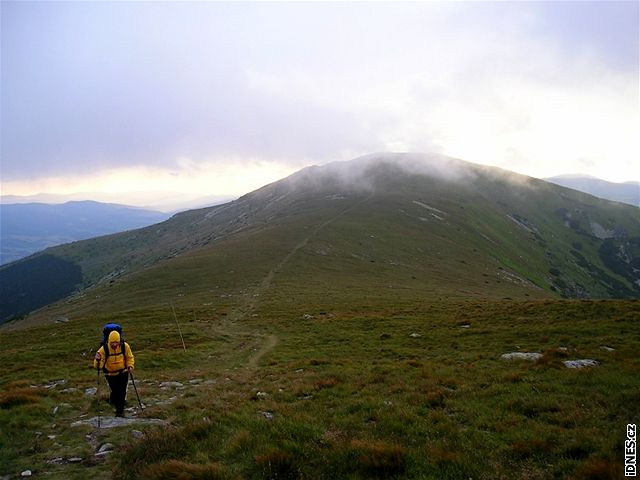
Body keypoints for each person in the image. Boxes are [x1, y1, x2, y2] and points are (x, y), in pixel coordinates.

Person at [94, 330, 135, 417]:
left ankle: (119, 411)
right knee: (115, 391)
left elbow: (129, 357)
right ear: (109, 342)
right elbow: (98, 365)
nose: (114, 345)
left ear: (119, 341)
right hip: (110, 375)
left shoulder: (125, 346)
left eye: (116, 342)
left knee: (122, 391)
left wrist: (130, 366)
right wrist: (97, 360)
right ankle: (114, 401)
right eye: (112, 343)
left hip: (123, 372)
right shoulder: (103, 349)